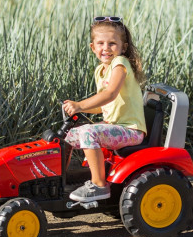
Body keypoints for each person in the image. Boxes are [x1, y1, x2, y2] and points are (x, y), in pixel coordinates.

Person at [63, 16, 147, 202]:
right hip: (115, 127)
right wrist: (78, 110)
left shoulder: (120, 64)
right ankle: (61, 179)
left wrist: (79, 105)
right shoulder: (101, 70)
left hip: (130, 130)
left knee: (88, 133)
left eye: (112, 43)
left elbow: (110, 94)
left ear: (123, 47)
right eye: (100, 43)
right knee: (69, 135)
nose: (106, 48)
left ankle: (99, 186)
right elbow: (104, 105)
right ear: (93, 47)